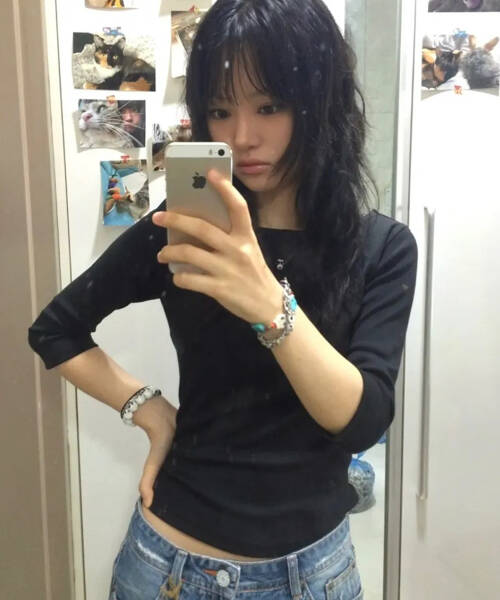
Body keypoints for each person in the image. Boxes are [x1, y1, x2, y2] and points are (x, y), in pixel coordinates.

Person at [28, 0, 418, 598]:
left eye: (270, 106)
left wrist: (268, 304)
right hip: (169, 567)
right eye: (219, 110)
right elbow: (55, 330)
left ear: (321, 100)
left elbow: (361, 422)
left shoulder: (379, 248)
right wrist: (150, 412)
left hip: (316, 574)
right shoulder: (186, 229)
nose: (241, 137)